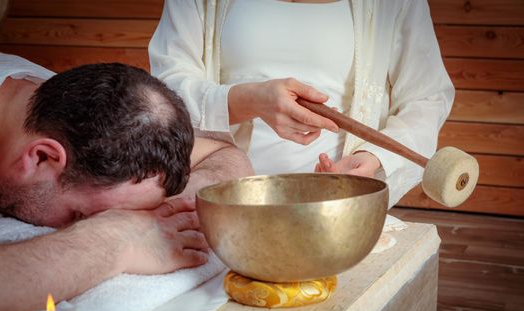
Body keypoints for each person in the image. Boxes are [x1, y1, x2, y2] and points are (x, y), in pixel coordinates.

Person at [0, 53, 253, 311]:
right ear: (42, 158)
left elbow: (223, 154)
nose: (81, 222)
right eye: (80, 215)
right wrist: (113, 239)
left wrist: (166, 215)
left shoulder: (79, 113)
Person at [148, 0, 455, 207]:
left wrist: (372, 157)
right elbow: (164, 86)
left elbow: (427, 96)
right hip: (209, 198)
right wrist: (245, 100)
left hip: (335, 208)